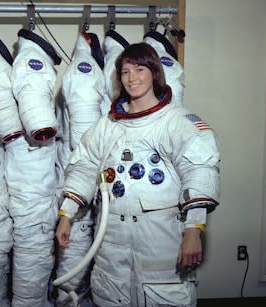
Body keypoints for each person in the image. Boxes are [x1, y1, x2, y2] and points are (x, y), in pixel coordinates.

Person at [55, 42, 220, 306]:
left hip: (160, 246)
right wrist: (67, 214)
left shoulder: (177, 122)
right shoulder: (108, 126)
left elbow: (199, 170)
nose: (132, 78)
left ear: (154, 72)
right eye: (125, 72)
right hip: (112, 249)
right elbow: (84, 164)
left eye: (139, 69)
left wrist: (193, 230)